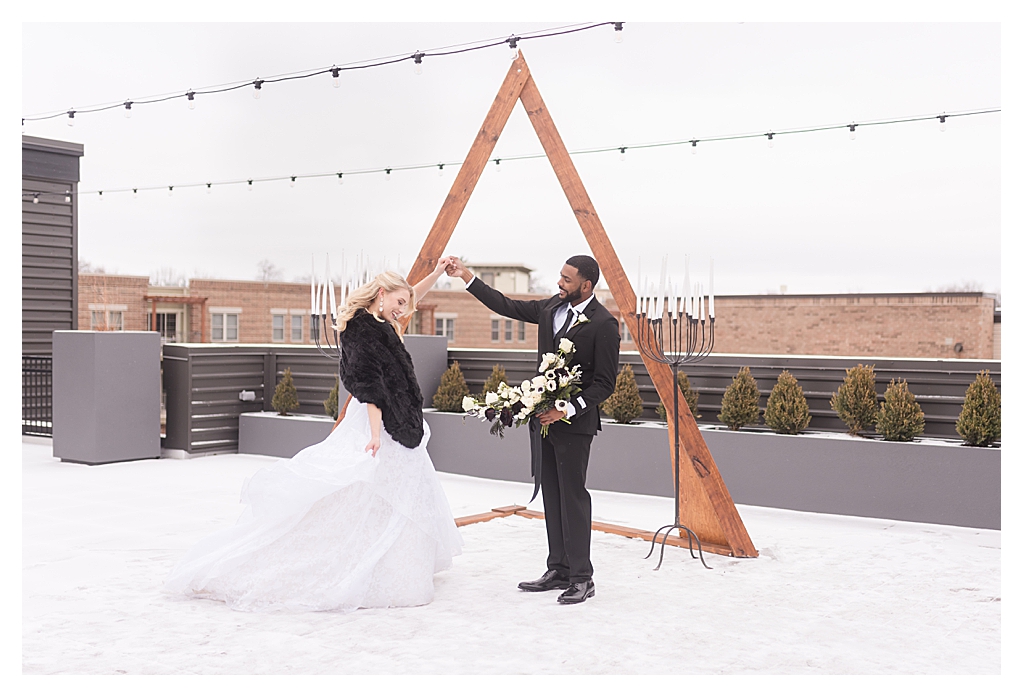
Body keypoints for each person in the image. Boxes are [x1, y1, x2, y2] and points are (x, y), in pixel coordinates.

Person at [164, 260, 462, 613]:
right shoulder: (360, 330)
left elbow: (410, 297)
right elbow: (370, 387)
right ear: (381, 294)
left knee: (398, 491)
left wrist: (436, 273)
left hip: (400, 418)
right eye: (399, 303)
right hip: (378, 418)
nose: (403, 311)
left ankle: (394, 560)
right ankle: (364, 560)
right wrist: (375, 434)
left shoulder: (385, 319)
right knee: (366, 487)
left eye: (405, 305)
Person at [442, 254, 620, 605]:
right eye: (560, 277)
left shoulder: (604, 324)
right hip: (542, 421)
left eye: (567, 280)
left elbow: (604, 383)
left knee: (573, 498)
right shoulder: (551, 307)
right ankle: (559, 569)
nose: (559, 283)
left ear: (586, 285)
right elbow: (506, 305)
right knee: (551, 496)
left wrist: (567, 407)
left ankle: (583, 577)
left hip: (574, 423)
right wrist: (466, 277)